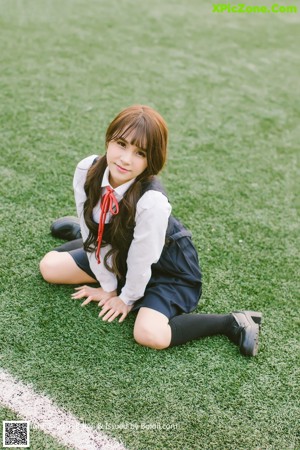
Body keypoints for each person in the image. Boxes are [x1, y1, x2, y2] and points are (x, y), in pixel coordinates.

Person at [40, 104, 262, 356]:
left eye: (140, 153)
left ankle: (231, 322)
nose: (125, 159)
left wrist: (125, 298)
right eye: (121, 144)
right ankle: (96, 233)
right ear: (109, 139)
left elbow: (142, 259)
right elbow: (88, 218)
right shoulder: (87, 169)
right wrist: (107, 285)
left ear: (151, 159)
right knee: (50, 267)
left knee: (148, 334)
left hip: (167, 267)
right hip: (120, 251)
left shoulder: (152, 202)